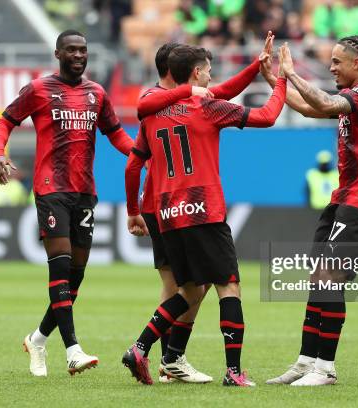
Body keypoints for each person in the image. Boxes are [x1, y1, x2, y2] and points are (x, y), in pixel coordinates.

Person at [123, 44, 287, 386]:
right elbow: (268, 116)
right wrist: (281, 82)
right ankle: (233, 372)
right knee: (229, 286)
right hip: (203, 210)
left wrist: (257, 66)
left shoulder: (154, 111)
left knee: (191, 291)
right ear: (196, 73)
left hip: (168, 214)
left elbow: (135, 158)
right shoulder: (206, 106)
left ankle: (141, 349)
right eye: (208, 70)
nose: (212, 76)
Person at [0, 29, 134, 377]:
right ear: (58, 54)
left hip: (84, 191)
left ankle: (38, 338)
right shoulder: (39, 90)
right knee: (60, 266)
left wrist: (143, 155)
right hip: (50, 188)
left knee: (75, 277)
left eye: (83, 50)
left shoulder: (96, 94)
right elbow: (5, 121)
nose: (78, 55)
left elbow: (115, 134)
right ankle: (73, 350)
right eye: (71, 50)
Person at [261, 35, 358, 386]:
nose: (331, 67)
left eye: (337, 61)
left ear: (357, 64)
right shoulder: (352, 99)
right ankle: (306, 362)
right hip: (345, 198)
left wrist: (290, 72)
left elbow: (320, 99)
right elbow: (309, 108)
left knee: (330, 277)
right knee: (319, 277)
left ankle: (326, 368)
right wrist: (273, 78)